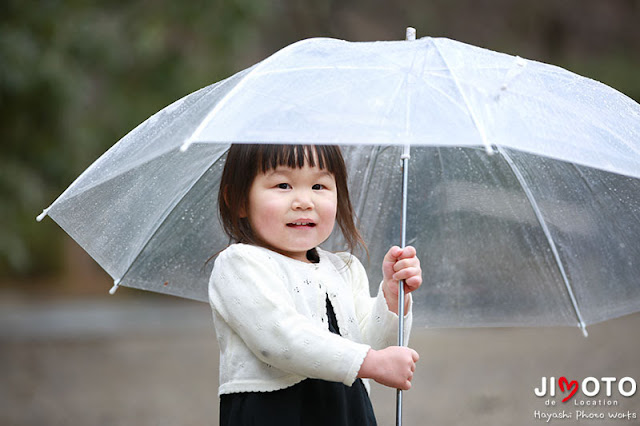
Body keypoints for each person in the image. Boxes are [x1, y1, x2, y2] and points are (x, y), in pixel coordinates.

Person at [209, 144, 422, 426]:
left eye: (319, 186)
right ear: (238, 201)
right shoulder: (241, 263)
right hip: (277, 411)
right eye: (283, 185)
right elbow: (280, 338)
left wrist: (393, 297)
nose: (304, 201)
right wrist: (371, 362)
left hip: (346, 410)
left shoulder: (344, 269)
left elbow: (375, 346)